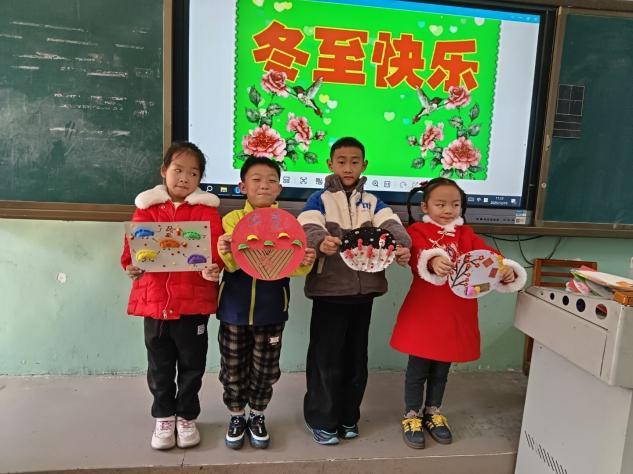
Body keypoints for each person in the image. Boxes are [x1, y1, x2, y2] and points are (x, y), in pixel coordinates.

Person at [390, 178, 526, 449]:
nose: (448, 210)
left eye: (455, 204)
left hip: (456, 313)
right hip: (425, 312)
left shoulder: (467, 234)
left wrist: (504, 268)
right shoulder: (417, 230)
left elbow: (487, 255)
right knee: (418, 369)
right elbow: (417, 255)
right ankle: (412, 415)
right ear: (425, 206)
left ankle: (433, 411)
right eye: (440, 204)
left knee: (442, 369)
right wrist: (432, 260)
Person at [297, 136, 412, 445]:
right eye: (341, 161)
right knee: (325, 359)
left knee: (355, 360)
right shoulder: (318, 199)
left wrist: (401, 245)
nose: (348, 167)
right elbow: (307, 228)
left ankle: (349, 417)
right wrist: (320, 241)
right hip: (329, 292)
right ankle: (322, 419)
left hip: (365, 292)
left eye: (354, 161)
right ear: (330, 164)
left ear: (364, 165)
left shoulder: (374, 202)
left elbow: (394, 227)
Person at [121, 141, 223, 450]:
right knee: (159, 365)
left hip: (193, 304)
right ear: (164, 171)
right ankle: (164, 416)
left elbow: (217, 252)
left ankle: (187, 416)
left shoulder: (207, 212)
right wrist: (131, 267)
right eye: (178, 170)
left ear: (200, 178)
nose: (184, 178)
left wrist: (214, 268)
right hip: (155, 303)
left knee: (193, 364)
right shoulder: (146, 208)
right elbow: (131, 253)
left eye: (193, 173)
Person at [216, 156, 316, 450]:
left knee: (266, 368)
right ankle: (237, 415)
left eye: (272, 180)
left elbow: (293, 268)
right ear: (242, 186)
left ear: (279, 188)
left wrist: (305, 260)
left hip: (272, 311)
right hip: (234, 310)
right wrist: (226, 249)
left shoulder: (289, 224)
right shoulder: (232, 220)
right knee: (232, 367)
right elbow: (232, 265)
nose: (264, 185)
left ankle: (257, 414)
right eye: (256, 180)